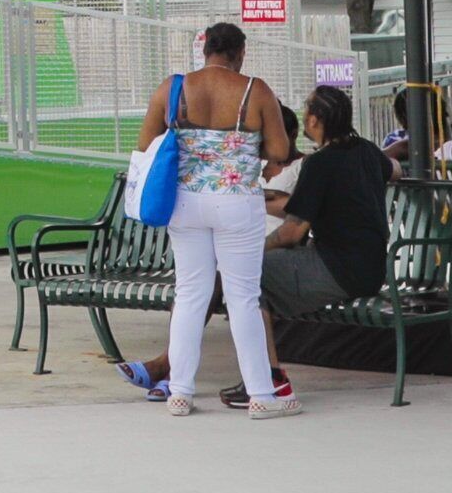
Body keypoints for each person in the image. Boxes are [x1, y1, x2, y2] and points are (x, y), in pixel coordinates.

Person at [118, 82, 387, 399]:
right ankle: (175, 368)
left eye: (306, 109)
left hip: (337, 269)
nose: (303, 115)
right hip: (372, 268)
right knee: (232, 277)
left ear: (314, 120)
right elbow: (393, 169)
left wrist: (251, 251)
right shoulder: (367, 151)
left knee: (245, 274)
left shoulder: (320, 164)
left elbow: (292, 233)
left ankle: (262, 378)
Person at [130, 20, 300, 418]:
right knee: (243, 297)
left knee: (190, 294)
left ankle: (180, 392)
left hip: (185, 203)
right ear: (240, 53)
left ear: (204, 49)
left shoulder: (172, 89)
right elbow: (280, 150)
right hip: (237, 202)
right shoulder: (255, 90)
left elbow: (145, 145)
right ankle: (261, 396)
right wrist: (243, 147)